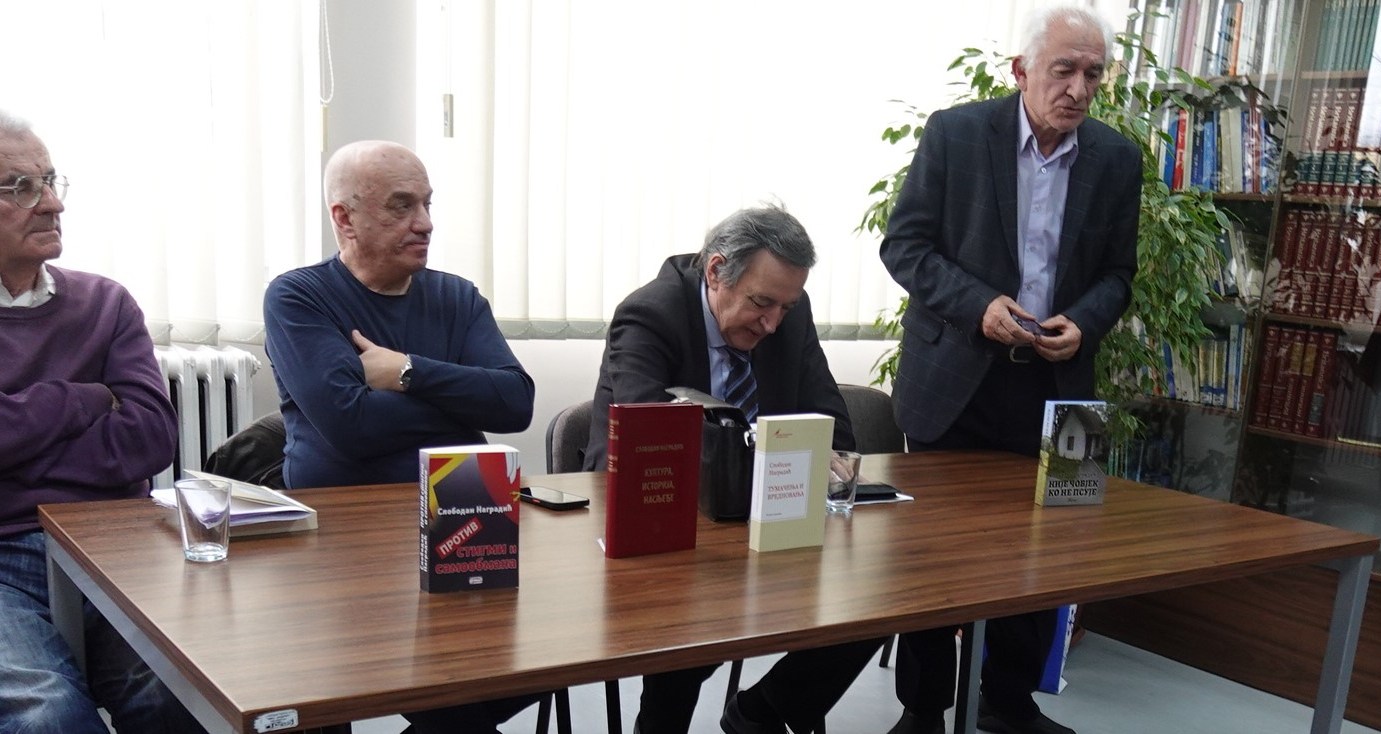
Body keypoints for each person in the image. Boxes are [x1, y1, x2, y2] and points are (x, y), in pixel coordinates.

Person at [878, 6, 1141, 734]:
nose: (1079, 89)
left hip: (1061, 383)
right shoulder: (955, 134)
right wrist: (978, 306)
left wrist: (1085, 321)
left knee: (1051, 553)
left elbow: (1119, 273)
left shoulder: (1118, 158)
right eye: (1064, 70)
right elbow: (905, 247)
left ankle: (1010, 703)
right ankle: (923, 710)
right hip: (955, 380)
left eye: (1094, 74)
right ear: (1022, 70)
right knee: (933, 556)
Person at [262, 140, 538, 732]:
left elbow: (516, 402)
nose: (425, 222)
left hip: (462, 524)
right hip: (345, 541)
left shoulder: (457, 297)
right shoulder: (299, 297)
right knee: (431, 704)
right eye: (402, 205)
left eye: (428, 204)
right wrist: (460, 408)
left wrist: (407, 372)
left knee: (546, 661)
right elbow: (351, 425)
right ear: (344, 218)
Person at [583, 205, 877, 734]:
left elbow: (831, 422)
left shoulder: (786, 312)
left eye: (786, 307)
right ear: (716, 271)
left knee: (878, 601)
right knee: (694, 625)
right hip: (657, 509)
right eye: (761, 303)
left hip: (757, 514)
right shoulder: (650, 314)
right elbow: (654, 446)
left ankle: (763, 711)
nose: (772, 323)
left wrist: (823, 453)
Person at [0, 110, 204, 733]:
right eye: (20, 187)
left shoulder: (105, 303)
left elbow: (150, 437)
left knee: (185, 697)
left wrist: (17, 450)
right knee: (49, 715)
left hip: (111, 545)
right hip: (2, 557)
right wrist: (83, 400)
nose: (52, 203)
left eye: (49, 180)